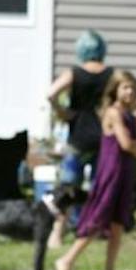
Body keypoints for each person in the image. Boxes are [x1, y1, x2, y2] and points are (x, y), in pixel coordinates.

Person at [55, 69, 136, 270]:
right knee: (98, 219)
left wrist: (135, 146)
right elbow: (127, 144)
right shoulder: (114, 113)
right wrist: (135, 146)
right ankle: (66, 260)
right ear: (115, 90)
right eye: (125, 87)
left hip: (124, 173)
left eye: (133, 87)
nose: (130, 92)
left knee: (117, 224)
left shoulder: (130, 116)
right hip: (111, 173)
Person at [46, 30, 112, 244]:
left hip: (78, 137)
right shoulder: (111, 74)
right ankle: (92, 231)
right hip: (104, 138)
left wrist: (62, 111)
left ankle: (57, 233)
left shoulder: (74, 73)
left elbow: (51, 94)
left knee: (67, 187)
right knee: (98, 187)